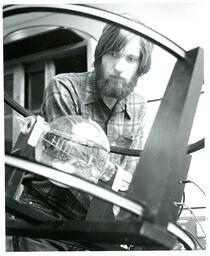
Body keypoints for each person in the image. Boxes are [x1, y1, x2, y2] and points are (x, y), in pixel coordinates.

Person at [42, 17, 153, 183]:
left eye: (131, 59)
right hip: (47, 204)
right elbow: (69, 167)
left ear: (140, 66)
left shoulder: (139, 105)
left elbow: (131, 169)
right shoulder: (65, 88)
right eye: (113, 54)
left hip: (102, 205)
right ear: (100, 56)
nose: (119, 68)